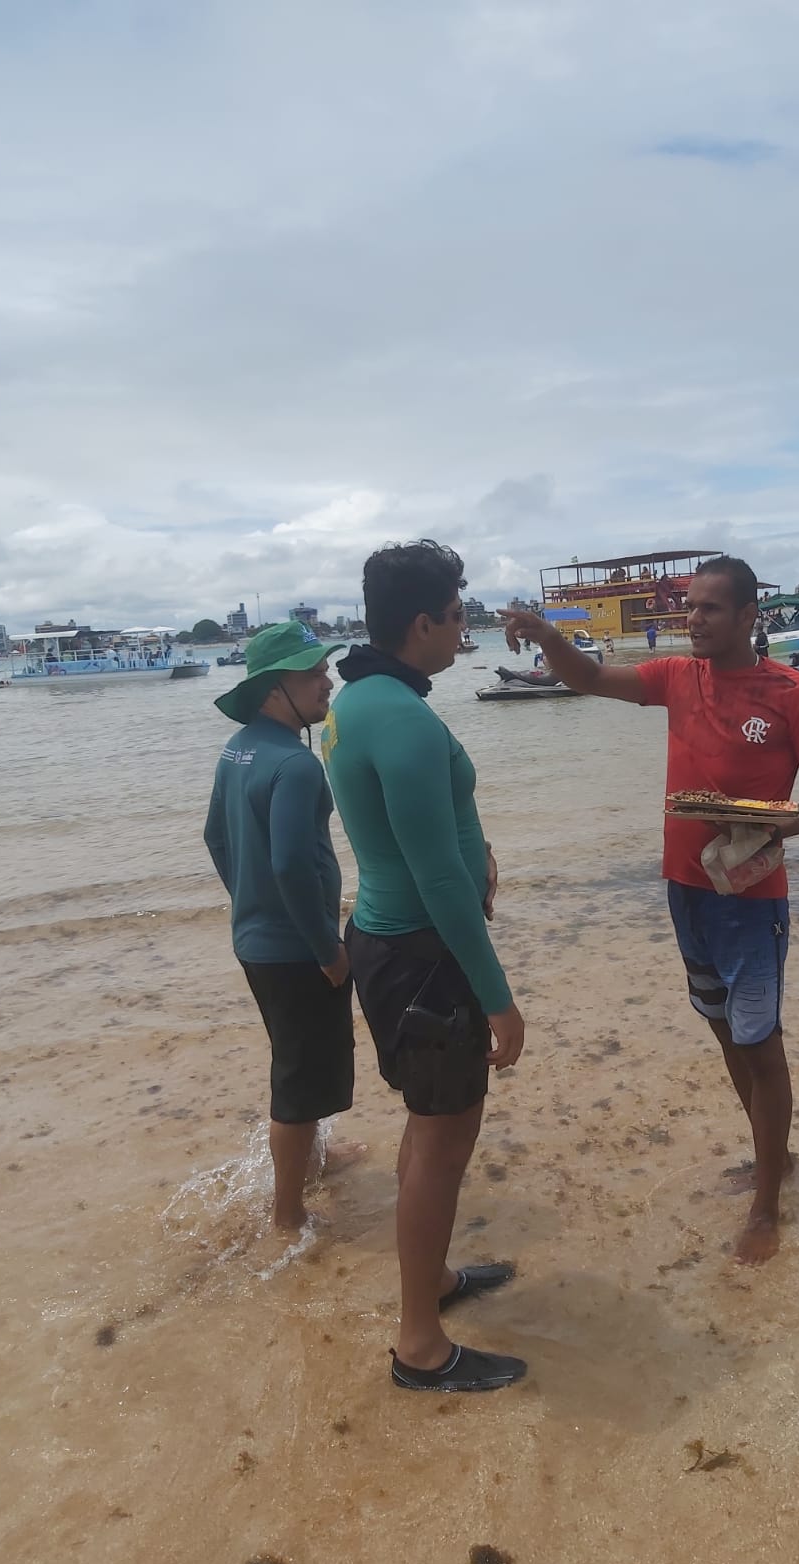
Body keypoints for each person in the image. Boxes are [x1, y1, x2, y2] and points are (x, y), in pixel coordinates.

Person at [502, 556, 799, 1263]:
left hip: (751, 899)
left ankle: (767, 1202)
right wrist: (546, 635)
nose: (693, 619)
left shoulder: (797, 693)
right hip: (685, 888)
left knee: (759, 1041)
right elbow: (589, 679)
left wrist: (773, 827)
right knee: (722, 1031)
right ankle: (771, 1156)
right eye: (689, 606)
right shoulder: (675, 677)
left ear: (749, 616)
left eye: (710, 608)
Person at [322, 539, 526, 1394]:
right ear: (421, 623)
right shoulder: (400, 719)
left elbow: (421, 847)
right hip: (424, 954)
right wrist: (498, 997)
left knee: (427, 1128)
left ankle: (432, 1281)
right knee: (444, 1141)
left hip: (393, 940)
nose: (463, 631)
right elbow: (437, 876)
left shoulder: (356, 701)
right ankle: (419, 1346)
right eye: (457, 616)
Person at [203, 621, 356, 1233]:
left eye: (324, 669)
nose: (327, 682)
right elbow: (292, 862)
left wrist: (251, 903)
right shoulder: (296, 766)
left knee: (302, 1059)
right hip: (298, 949)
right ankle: (288, 1213)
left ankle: (314, 1162)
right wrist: (326, 949)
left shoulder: (238, 747)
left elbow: (216, 836)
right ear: (273, 689)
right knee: (298, 1078)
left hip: (257, 940)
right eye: (312, 673)